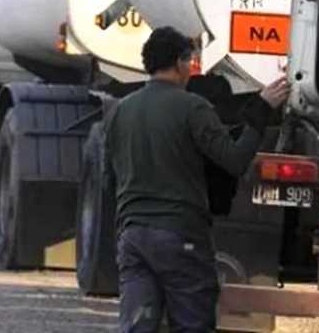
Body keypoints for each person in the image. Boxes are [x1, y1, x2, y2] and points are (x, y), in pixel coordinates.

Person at [108, 27, 290, 332]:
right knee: (192, 324)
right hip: (180, 234)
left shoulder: (121, 111)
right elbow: (234, 160)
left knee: (138, 326)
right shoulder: (192, 107)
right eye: (190, 61)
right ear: (179, 62)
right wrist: (261, 109)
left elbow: (111, 172)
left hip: (132, 236)